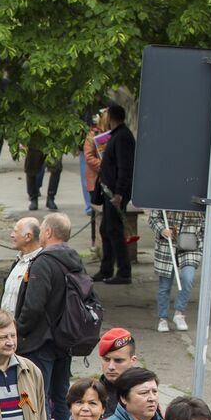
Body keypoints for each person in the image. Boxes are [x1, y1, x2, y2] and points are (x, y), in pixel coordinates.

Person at [16, 213, 86, 420]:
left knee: (40, 394)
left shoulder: (44, 261)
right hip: (65, 337)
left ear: (47, 232)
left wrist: (19, 331)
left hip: (40, 340)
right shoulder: (75, 260)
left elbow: (34, 304)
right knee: (62, 394)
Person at [96, 103, 135, 284]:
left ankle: (124, 271)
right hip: (109, 190)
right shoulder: (116, 136)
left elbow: (124, 166)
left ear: (111, 117)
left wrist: (119, 192)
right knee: (106, 229)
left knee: (114, 230)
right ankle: (106, 268)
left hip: (115, 193)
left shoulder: (123, 137)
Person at [148, 209, 203, 333]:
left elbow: (204, 225)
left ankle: (179, 313)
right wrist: (162, 229)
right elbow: (153, 218)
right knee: (165, 286)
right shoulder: (164, 196)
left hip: (190, 245)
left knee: (188, 278)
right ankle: (163, 318)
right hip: (167, 244)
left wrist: (201, 246)